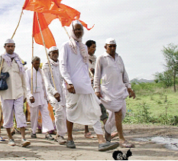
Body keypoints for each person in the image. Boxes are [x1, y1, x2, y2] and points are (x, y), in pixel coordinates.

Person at [60, 21, 119, 151]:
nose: (79, 31)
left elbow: (85, 66)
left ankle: (101, 141)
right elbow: (63, 66)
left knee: (94, 110)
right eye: (76, 29)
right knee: (70, 111)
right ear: (71, 31)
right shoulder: (66, 46)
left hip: (85, 84)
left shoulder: (83, 47)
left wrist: (90, 79)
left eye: (80, 29)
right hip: (72, 86)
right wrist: (68, 82)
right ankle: (69, 138)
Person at [94, 38, 136, 148]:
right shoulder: (101, 58)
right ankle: (122, 139)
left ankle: (107, 132)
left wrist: (129, 87)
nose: (112, 48)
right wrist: (96, 90)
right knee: (117, 112)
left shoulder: (119, 58)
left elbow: (124, 74)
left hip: (120, 89)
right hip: (107, 91)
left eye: (114, 46)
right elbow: (97, 75)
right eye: (110, 46)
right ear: (105, 47)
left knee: (121, 113)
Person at [0, 39, 31, 148]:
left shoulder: (18, 60)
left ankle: (23, 138)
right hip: (6, 93)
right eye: (8, 46)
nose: (11, 48)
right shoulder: (1, 59)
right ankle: (10, 138)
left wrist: (25, 93)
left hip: (18, 92)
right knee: (7, 116)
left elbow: (23, 78)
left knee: (20, 115)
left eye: (12, 46)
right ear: (5, 47)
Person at [42, 46, 67, 145]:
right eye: (53, 53)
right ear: (49, 54)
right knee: (59, 111)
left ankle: (60, 134)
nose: (55, 54)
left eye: (57, 52)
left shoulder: (61, 64)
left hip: (62, 92)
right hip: (52, 94)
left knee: (64, 114)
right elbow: (47, 82)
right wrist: (54, 92)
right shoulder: (46, 66)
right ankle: (60, 135)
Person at [26, 56, 54, 140]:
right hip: (33, 97)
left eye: (38, 63)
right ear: (32, 63)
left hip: (42, 96)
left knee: (45, 113)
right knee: (34, 115)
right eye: (36, 63)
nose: (37, 65)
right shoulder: (28, 72)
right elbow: (26, 85)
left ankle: (47, 132)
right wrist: (29, 95)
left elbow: (45, 85)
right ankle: (33, 131)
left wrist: (47, 96)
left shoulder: (42, 72)